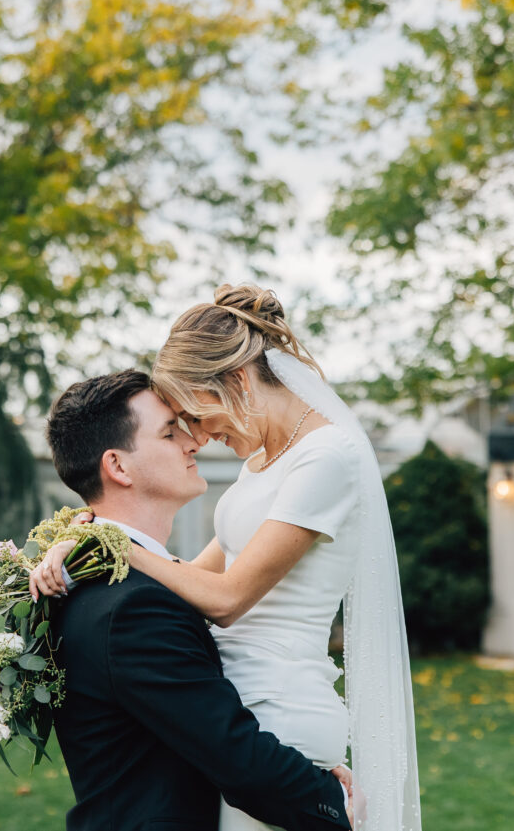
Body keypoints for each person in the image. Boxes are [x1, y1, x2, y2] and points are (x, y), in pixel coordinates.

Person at [33, 285, 421, 831]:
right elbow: (190, 578)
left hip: (279, 700)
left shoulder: (329, 456)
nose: (200, 437)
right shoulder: (264, 460)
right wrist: (84, 550)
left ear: (236, 382)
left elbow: (229, 598)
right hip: (242, 707)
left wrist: (117, 544)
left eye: (194, 414)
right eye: (180, 427)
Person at [40, 369, 354, 831]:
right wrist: (331, 800)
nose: (194, 442)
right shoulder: (132, 608)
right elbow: (233, 755)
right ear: (118, 467)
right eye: (170, 432)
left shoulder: (111, 583)